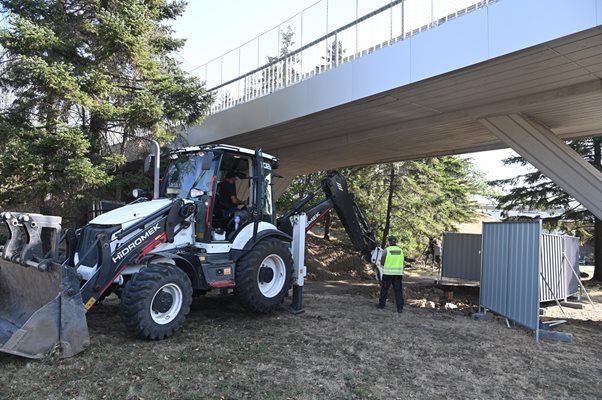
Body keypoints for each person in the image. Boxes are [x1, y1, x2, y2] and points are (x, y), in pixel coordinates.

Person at [377, 236, 405, 313]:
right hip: (398, 274)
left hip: (388, 274)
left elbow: (382, 262)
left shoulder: (387, 250)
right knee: (398, 291)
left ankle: (382, 304)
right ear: (395, 241)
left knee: (384, 289)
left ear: (389, 242)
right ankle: (400, 308)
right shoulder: (400, 250)